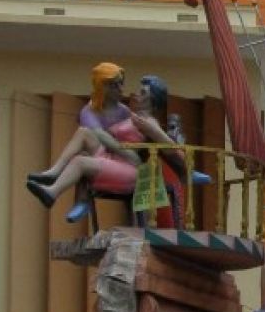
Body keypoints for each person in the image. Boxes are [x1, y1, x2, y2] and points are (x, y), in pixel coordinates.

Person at [26, 74, 184, 223]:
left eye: (143, 93)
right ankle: (54, 172)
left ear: (152, 100)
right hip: (112, 157)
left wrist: (154, 131)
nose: (136, 94)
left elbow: (169, 148)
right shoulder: (132, 116)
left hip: (129, 168)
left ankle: (52, 193)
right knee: (83, 132)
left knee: (80, 161)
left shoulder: (149, 122)